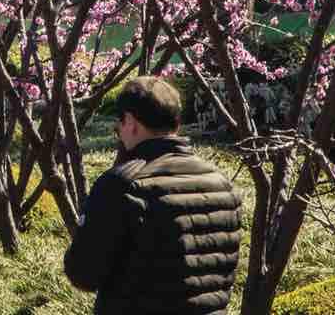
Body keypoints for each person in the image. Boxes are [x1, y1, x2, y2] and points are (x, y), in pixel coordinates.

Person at [63, 76, 242, 314]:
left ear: (131, 121)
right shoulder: (221, 183)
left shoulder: (122, 184)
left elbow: (84, 273)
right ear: (176, 123)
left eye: (120, 123)